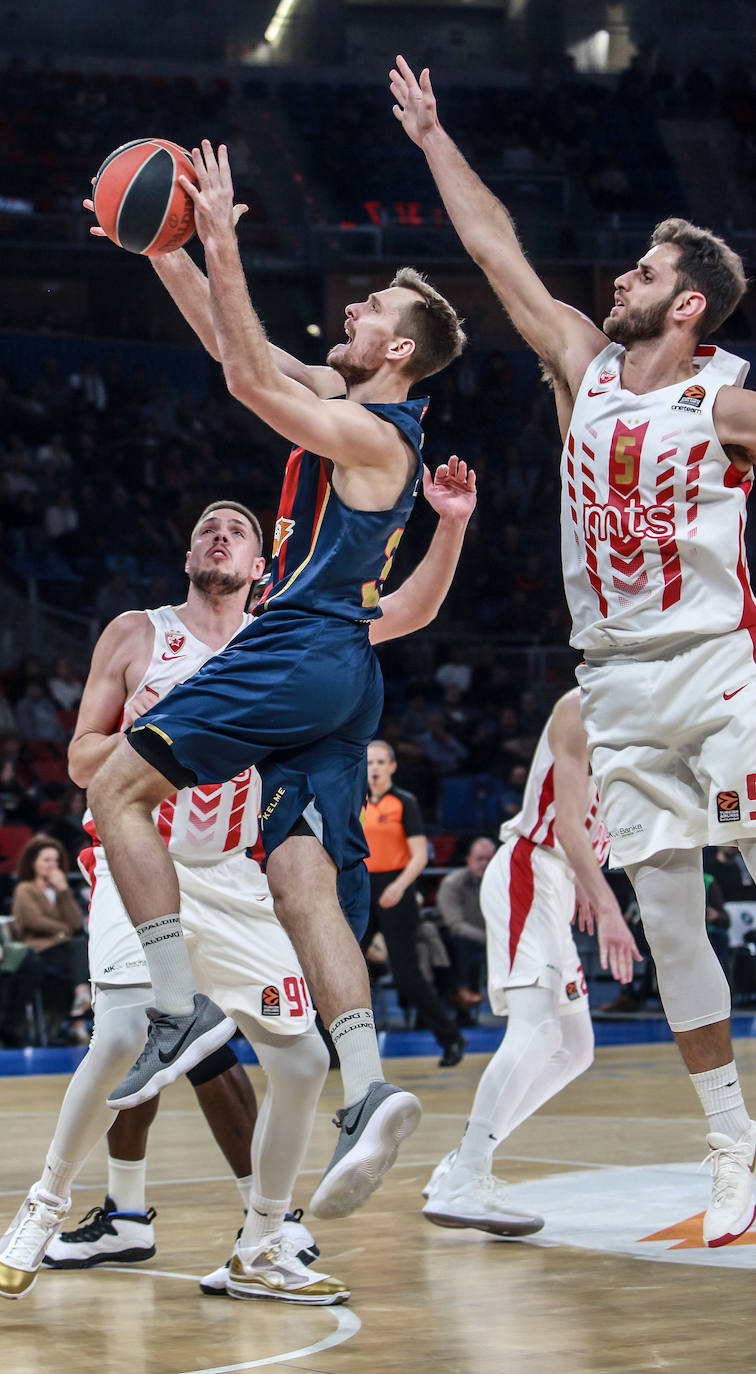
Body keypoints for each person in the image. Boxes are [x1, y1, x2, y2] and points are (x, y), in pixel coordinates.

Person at [391, 54, 756, 1246]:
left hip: (719, 662)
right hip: (616, 681)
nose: (623, 277)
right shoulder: (584, 368)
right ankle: (731, 1149)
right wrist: (437, 139)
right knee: (674, 920)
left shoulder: (729, 402)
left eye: (646, 272)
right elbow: (497, 255)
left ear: (689, 303)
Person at [82, 141, 467, 1228]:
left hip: (295, 652)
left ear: (398, 347)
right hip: (343, 680)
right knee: (298, 882)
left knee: (116, 788)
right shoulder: (349, 403)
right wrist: (158, 243)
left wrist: (221, 232)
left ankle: (173, 1014)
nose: (350, 308)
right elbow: (230, 345)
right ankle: (371, 1085)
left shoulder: (373, 433)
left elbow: (250, 375)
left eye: (371, 305)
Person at [0, 459, 478, 1300]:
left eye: (240, 531)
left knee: (299, 1061)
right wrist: (167, 730)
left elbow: (410, 609)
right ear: (189, 557)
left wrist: (451, 523)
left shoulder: (285, 636)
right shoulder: (136, 634)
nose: (220, 534)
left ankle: (261, 1241)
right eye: (206, 529)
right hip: (137, 854)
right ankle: (44, 1204)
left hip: (230, 875)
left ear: (264, 567)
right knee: (119, 1035)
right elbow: (80, 760)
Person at [422, 689, 639, 1234]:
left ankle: (462, 1162)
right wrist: (609, 904)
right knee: (539, 1030)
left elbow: (594, 828)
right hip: (530, 868)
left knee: (575, 1049)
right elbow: (567, 826)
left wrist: (588, 884)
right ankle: (466, 1175)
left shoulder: (643, 723)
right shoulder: (584, 705)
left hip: (557, 883)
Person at [362, 738, 465, 1067]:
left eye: (380, 762)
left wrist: (399, 886)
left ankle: (451, 1038)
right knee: (346, 969)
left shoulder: (404, 802)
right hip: (362, 888)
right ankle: (335, 1049)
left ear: (392, 766)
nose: (374, 768)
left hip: (397, 887)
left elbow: (419, 855)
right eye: (369, 763)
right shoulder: (354, 803)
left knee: (407, 975)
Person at [10, 834, 89, 1045]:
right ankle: (80, 1001)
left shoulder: (60, 890)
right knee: (77, 946)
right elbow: (34, 921)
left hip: (64, 952)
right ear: (33, 863)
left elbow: (76, 923)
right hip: (38, 951)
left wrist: (64, 891)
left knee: (80, 944)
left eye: (55, 860)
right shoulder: (25, 889)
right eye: (46, 860)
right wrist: (63, 932)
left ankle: (78, 1000)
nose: (52, 865)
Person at [435, 836, 496, 1007]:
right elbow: (455, 925)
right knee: (460, 943)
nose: (484, 863)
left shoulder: (499, 884)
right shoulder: (453, 883)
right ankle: (462, 991)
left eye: (489, 859)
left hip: (484, 936)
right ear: (468, 860)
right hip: (449, 936)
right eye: (479, 859)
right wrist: (491, 938)